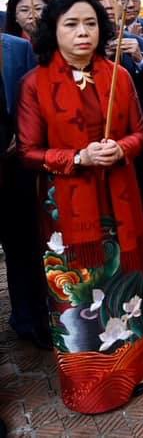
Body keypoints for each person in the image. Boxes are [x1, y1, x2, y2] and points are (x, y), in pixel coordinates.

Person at [17, 0, 143, 413]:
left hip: (121, 200)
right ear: (52, 31)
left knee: (126, 290)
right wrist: (77, 156)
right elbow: (27, 151)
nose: (83, 33)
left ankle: (134, 372)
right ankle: (91, 386)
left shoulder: (120, 76)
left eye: (91, 24)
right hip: (68, 212)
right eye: (71, 25)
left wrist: (122, 149)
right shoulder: (35, 83)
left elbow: (141, 132)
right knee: (81, 298)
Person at [78, 0, 143, 310]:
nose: (108, 4)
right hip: (92, 153)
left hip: (141, 147)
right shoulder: (76, 49)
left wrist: (139, 59)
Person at [0, 31, 47, 351]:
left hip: (15, 165)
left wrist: (25, 134)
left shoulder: (17, 48)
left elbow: (35, 97)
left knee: (24, 247)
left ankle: (31, 319)